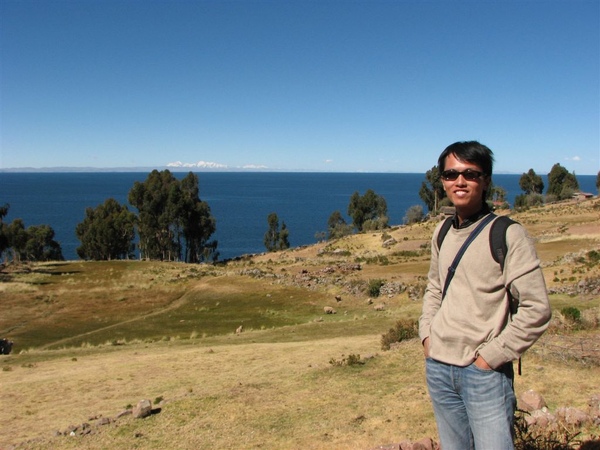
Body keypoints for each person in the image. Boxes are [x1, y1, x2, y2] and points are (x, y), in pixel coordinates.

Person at [419, 141, 552, 450]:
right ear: (442, 181)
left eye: (471, 174)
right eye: (451, 174)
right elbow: (434, 288)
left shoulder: (507, 234)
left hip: (484, 375)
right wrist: (427, 335)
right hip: (438, 366)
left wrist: (489, 358)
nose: (460, 181)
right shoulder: (441, 232)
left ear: (486, 181)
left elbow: (537, 308)